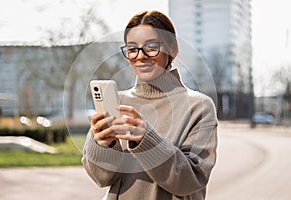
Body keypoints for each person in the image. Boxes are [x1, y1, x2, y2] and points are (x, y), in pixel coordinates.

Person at [82, 10, 218, 200]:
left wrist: (147, 141)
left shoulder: (199, 107)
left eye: (151, 46)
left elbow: (190, 182)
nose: (140, 56)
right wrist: (104, 145)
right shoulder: (117, 102)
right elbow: (101, 178)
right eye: (132, 48)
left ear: (172, 49)